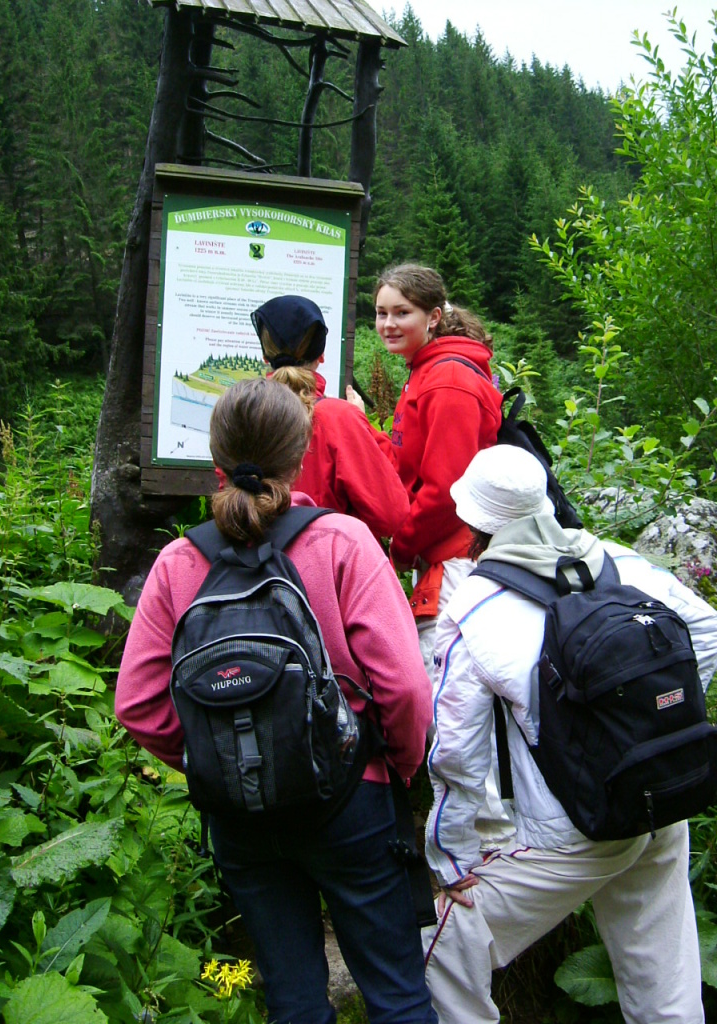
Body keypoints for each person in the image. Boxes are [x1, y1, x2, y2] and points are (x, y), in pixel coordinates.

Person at [115, 377, 437, 1024]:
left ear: (214, 458)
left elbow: (138, 704)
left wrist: (222, 758)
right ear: (302, 453)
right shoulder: (343, 542)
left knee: (292, 1002)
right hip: (352, 798)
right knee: (397, 997)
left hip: (240, 816)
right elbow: (404, 686)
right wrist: (394, 766)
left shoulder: (179, 562)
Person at [422, 444, 717, 1024]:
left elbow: (455, 752)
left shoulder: (474, 605)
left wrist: (452, 859)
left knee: (442, 947)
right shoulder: (615, 560)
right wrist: (653, 724)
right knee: (664, 984)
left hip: (572, 829)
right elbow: (706, 633)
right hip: (658, 798)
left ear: (472, 521)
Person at [346, 265, 501, 665]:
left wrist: (401, 546)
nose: (388, 324)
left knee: (443, 685)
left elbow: (448, 490)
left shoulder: (448, 379)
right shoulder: (425, 370)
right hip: (437, 558)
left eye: (402, 312)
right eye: (381, 313)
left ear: (433, 317)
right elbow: (405, 465)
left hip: (456, 562)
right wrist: (361, 425)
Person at [251, 294, 409, 540]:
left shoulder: (241, 411)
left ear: (265, 355)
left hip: (257, 557)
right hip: (327, 559)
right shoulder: (339, 418)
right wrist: (363, 425)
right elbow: (391, 515)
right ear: (321, 355)